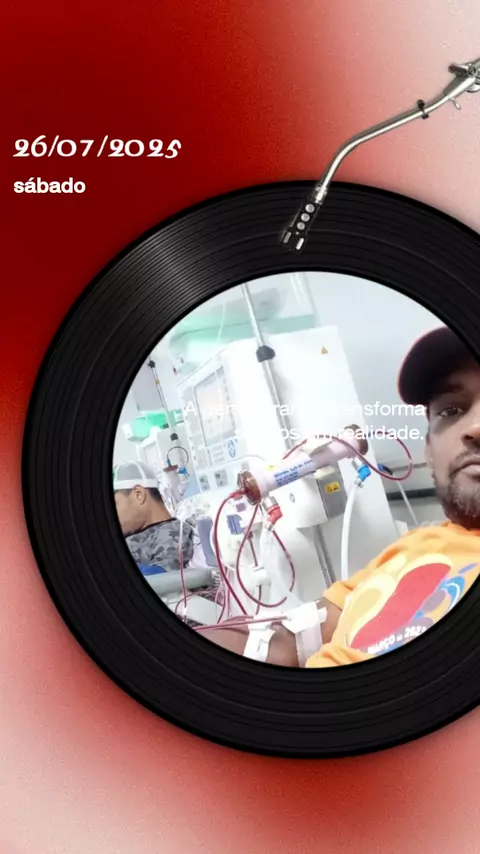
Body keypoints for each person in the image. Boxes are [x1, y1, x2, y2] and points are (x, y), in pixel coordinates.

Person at [201, 326, 480, 667]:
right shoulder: (413, 548)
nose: (475, 427)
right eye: (451, 411)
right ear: (429, 452)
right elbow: (285, 643)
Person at [113, 461, 197, 574]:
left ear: (139, 495)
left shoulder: (172, 534)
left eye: (114, 504)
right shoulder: (129, 532)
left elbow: (160, 578)